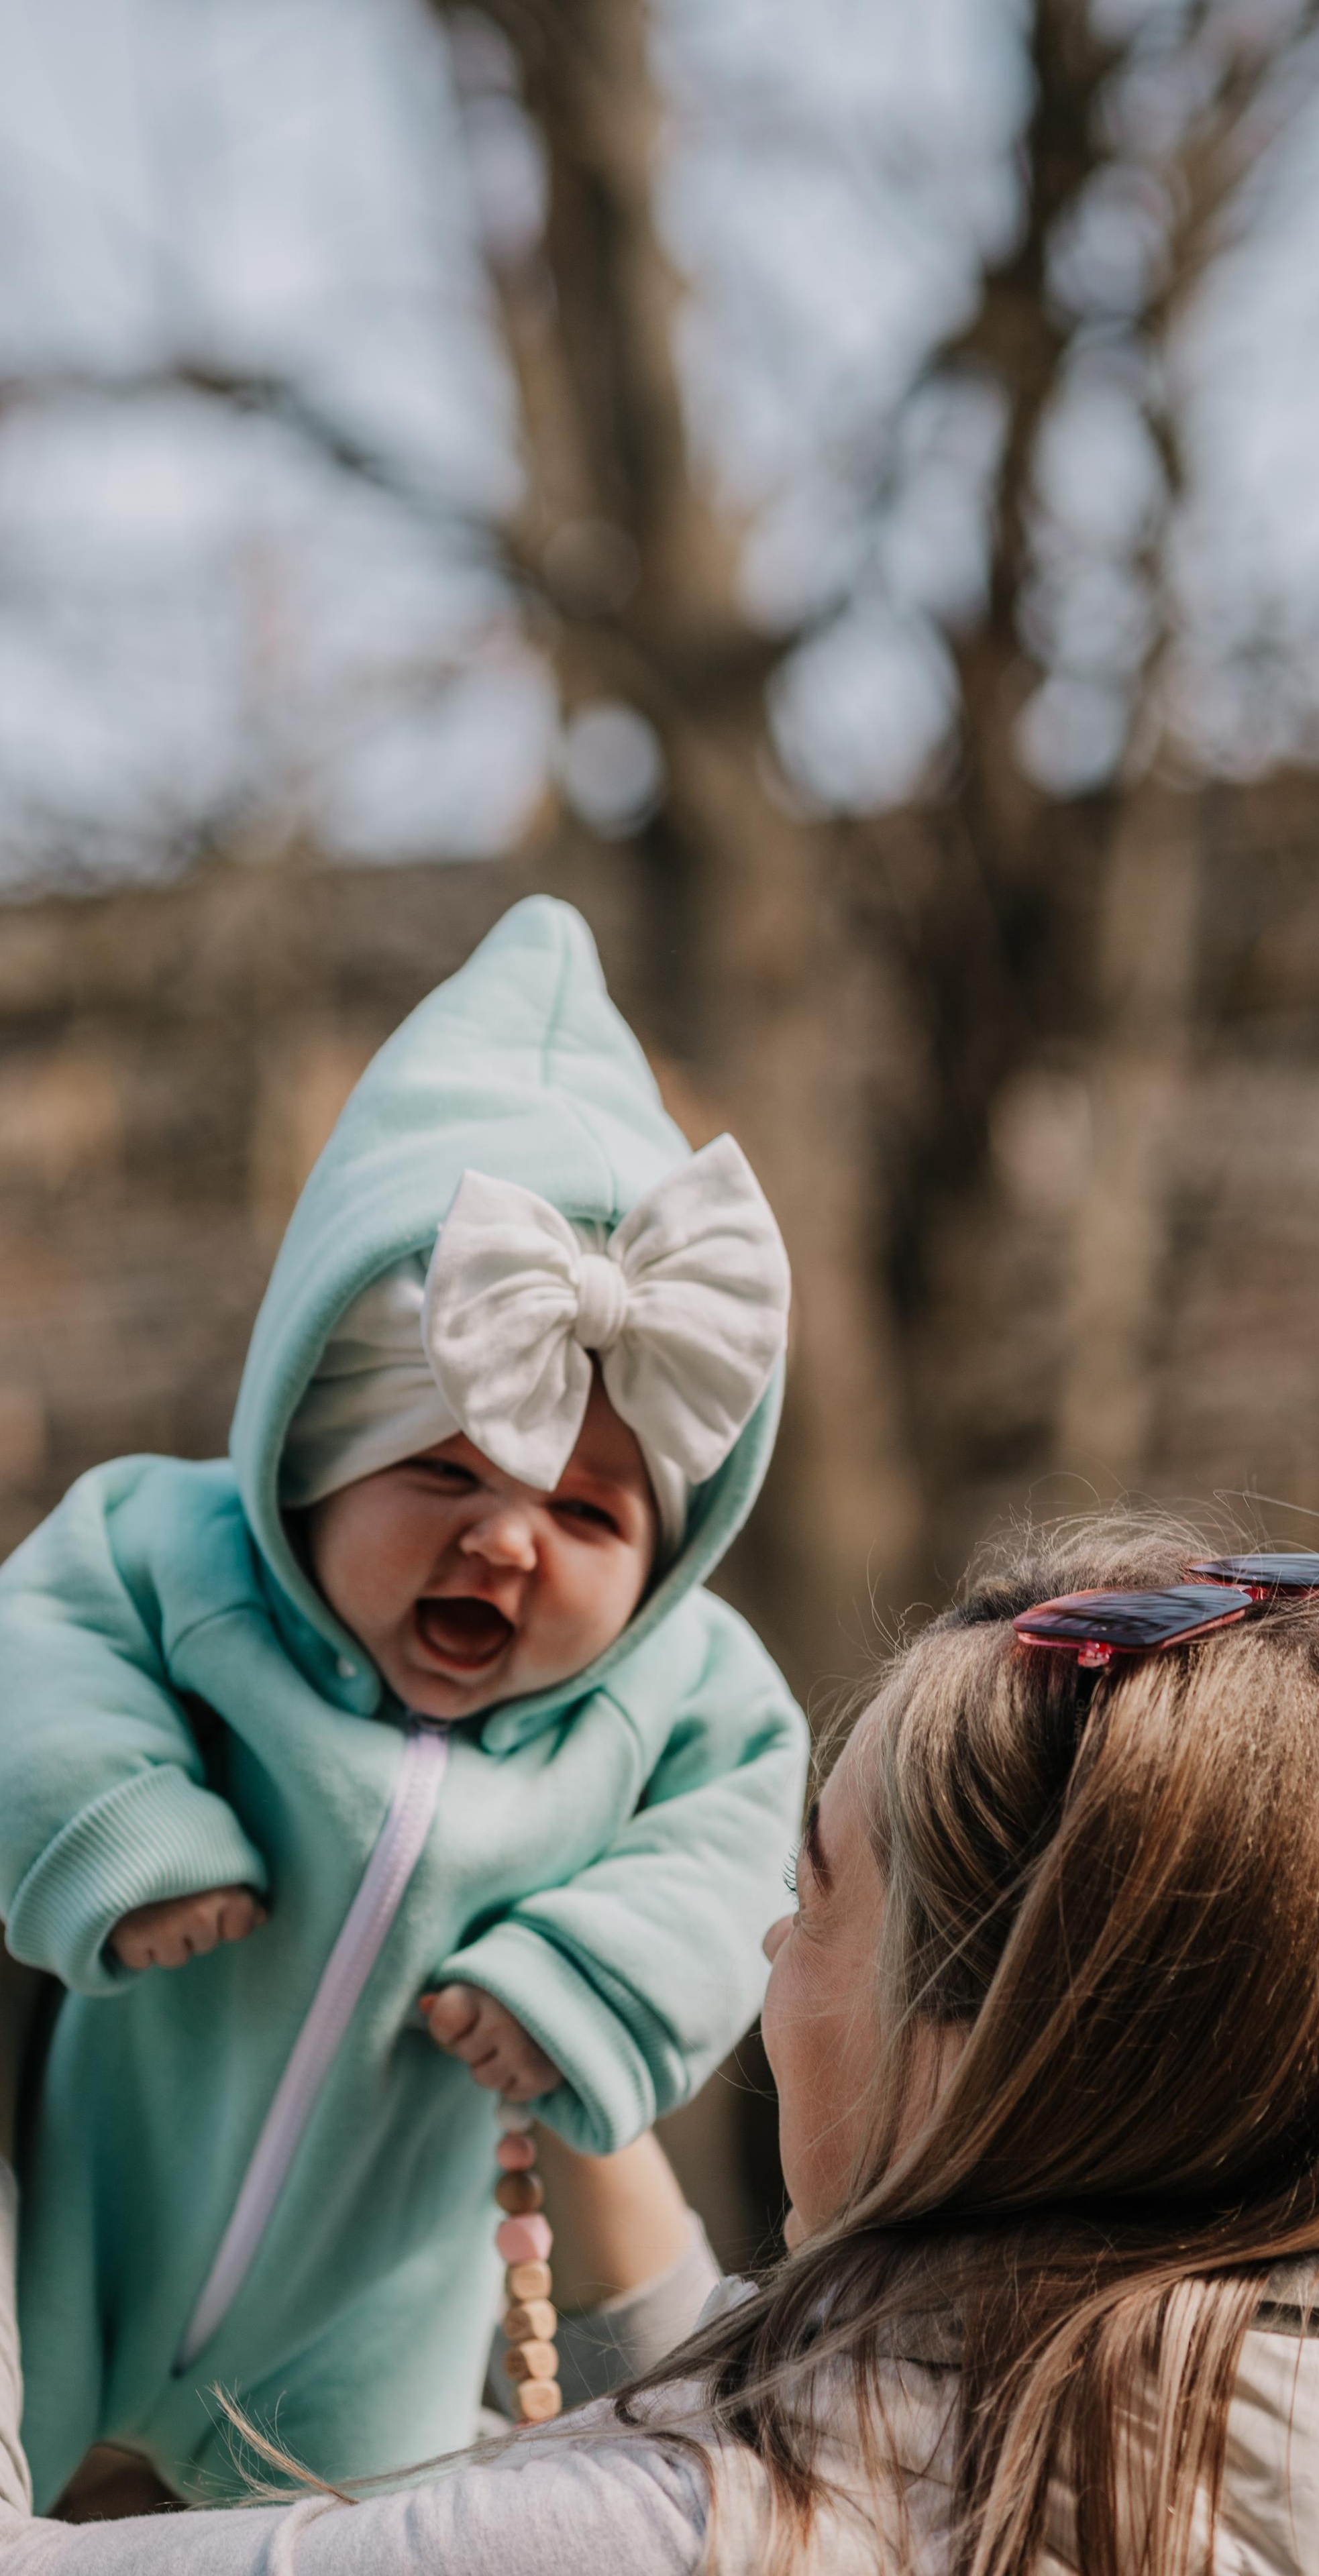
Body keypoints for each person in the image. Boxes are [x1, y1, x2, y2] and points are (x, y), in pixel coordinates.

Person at [2, 1511, 1319, 2571]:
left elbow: (742, 2502)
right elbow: (817, 2414)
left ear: (991, 2037)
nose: (765, 1954)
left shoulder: (762, 2527)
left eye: (810, 1899)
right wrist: (558, 2055)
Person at [0, 899, 808, 2508]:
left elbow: (734, 1859)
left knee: (372, 2523)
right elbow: (40, 1651)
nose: (506, 1537)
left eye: (590, 1519)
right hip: (92, 2194)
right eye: (443, 1470)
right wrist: (125, 1824)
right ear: (302, 1462)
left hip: (386, 2285)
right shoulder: (166, 1542)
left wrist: (586, 1985)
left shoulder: (691, 1690)